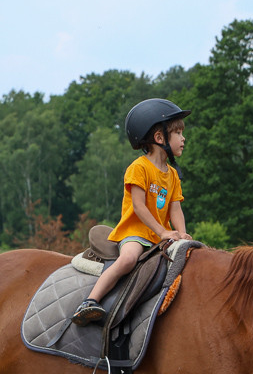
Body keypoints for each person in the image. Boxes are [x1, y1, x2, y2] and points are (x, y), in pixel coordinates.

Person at [72, 98, 193, 326]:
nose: (183, 138)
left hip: (159, 237)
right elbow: (139, 206)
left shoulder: (173, 175)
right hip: (136, 233)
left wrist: (182, 234)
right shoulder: (139, 168)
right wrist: (163, 231)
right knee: (128, 259)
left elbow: (175, 207)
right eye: (177, 132)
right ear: (159, 138)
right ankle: (89, 302)